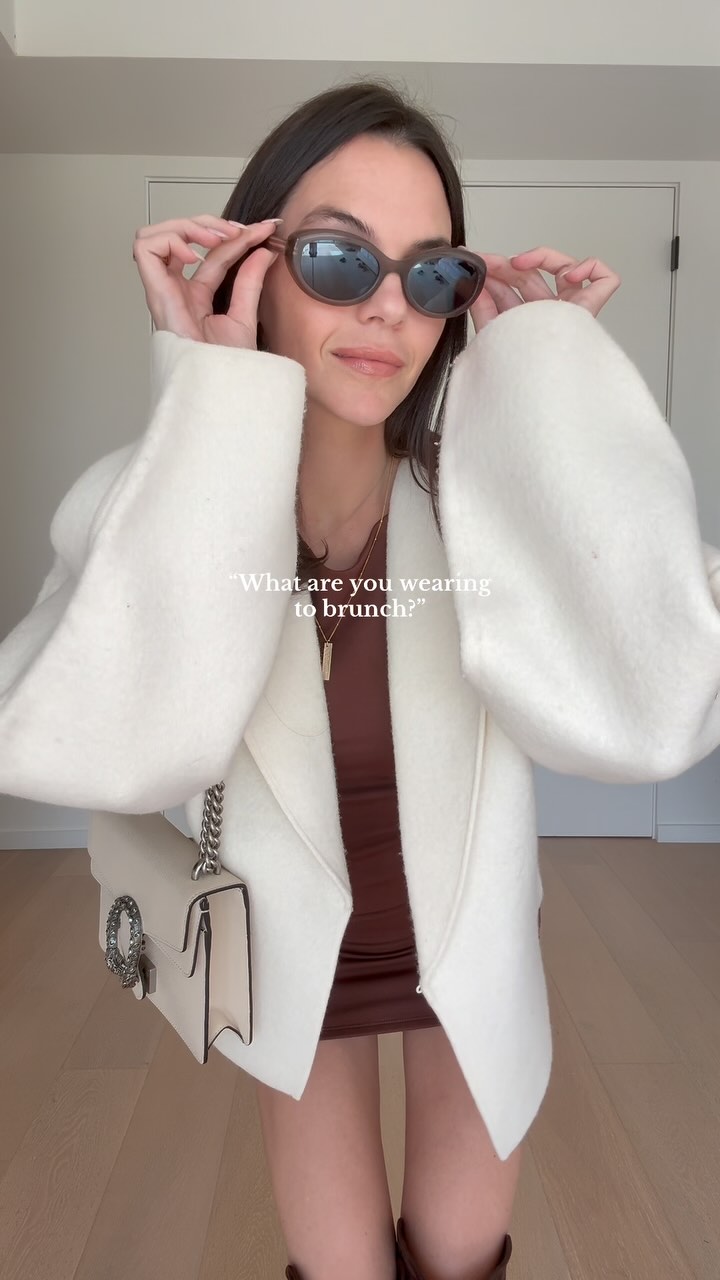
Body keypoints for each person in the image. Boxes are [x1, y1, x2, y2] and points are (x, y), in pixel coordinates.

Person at [3, 79, 720, 1280]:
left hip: (470, 946)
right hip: (293, 957)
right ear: (254, 268)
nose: (390, 305)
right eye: (338, 258)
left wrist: (558, 385)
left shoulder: (483, 502)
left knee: (462, 1257)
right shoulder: (156, 496)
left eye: (433, 275)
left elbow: (657, 698)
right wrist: (202, 399)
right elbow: (92, 738)